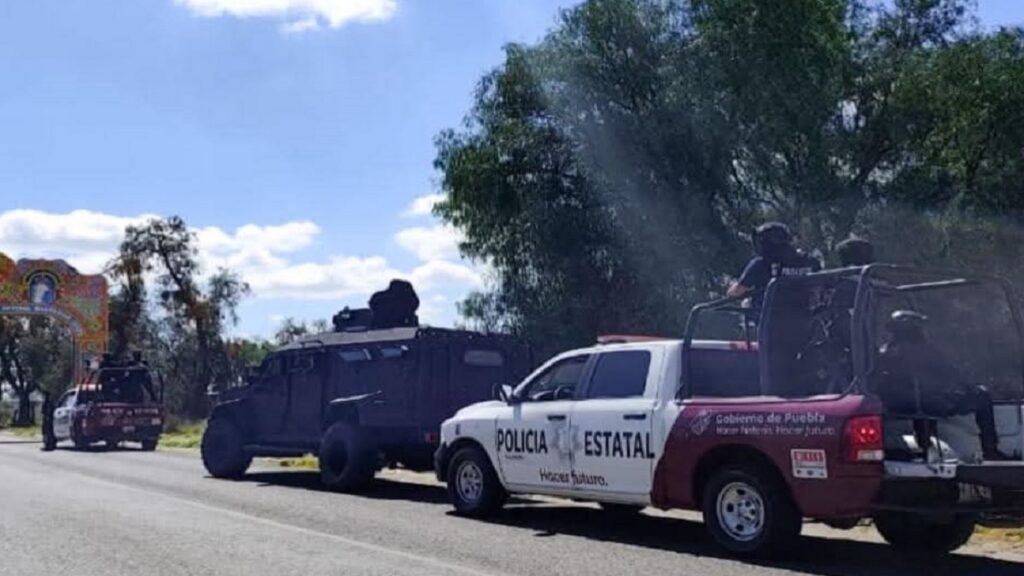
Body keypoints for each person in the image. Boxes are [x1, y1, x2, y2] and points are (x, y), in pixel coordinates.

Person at [876, 310, 1004, 460]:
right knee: (982, 396)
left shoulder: (884, 352)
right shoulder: (925, 350)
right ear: (914, 330)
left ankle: (924, 445)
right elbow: (951, 373)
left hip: (896, 405)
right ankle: (990, 450)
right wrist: (970, 387)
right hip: (930, 403)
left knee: (924, 403)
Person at [727, 222, 821, 300]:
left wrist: (732, 286)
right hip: (805, 319)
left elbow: (735, 293)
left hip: (768, 321)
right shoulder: (811, 262)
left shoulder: (760, 265)